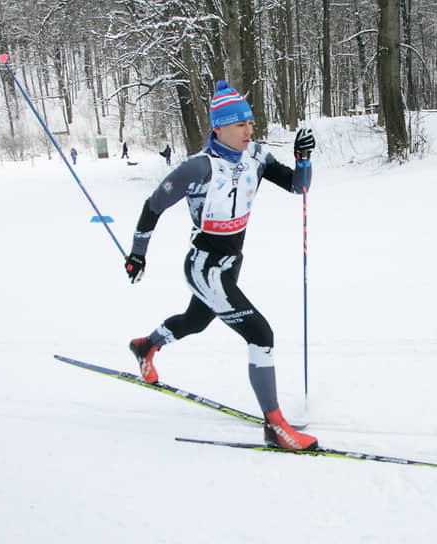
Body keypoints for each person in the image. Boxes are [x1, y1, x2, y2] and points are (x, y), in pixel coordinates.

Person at [124, 80, 317, 451]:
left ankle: (146, 346)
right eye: (241, 125)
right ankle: (275, 427)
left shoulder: (256, 157)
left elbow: (298, 187)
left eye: (250, 123)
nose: (249, 130)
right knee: (261, 334)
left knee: (195, 322)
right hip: (205, 266)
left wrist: (304, 160)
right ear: (219, 128)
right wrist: (137, 254)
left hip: (230, 264)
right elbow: (153, 205)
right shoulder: (198, 168)